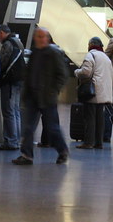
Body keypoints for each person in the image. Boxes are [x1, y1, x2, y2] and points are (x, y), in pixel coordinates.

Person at [13, 27, 70, 165]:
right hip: (33, 97)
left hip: (46, 97)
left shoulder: (53, 53)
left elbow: (62, 74)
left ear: (47, 38)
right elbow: (29, 73)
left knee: (52, 127)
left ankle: (62, 150)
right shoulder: (34, 53)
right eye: (38, 36)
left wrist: (53, 91)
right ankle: (27, 155)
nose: (41, 39)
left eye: (43, 36)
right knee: (28, 127)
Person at [74, 36, 113, 149]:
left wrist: (77, 72)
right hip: (104, 92)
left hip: (93, 91)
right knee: (100, 118)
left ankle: (88, 142)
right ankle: (99, 142)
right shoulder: (106, 57)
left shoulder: (91, 55)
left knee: (89, 117)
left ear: (90, 45)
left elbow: (86, 72)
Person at [0, 25, 26, 151]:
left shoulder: (8, 44)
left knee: (8, 111)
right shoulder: (18, 42)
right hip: (19, 81)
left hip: (10, 81)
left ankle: (11, 141)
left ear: (1, 33)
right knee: (15, 111)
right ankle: (16, 140)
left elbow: (2, 61)